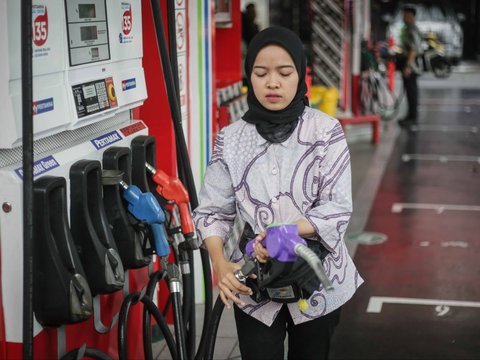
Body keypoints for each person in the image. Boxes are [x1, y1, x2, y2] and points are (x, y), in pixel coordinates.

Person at [193, 26, 363, 360]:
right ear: (249, 77)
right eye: (261, 73)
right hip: (254, 284)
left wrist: (283, 233)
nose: (272, 83)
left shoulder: (325, 131)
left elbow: (338, 208)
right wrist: (220, 262)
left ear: (300, 76)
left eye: (285, 73)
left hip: (320, 277)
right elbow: (213, 212)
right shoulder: (230, 139)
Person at [397, 5, 422, 127]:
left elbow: (413, 50)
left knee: (412, 93)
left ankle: (413, 117)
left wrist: (407, 66)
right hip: (407, 64)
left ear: (410, 16)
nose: (403, 18)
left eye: (405, 15)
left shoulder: (412, 29)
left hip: (411, 66)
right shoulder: (407, 28)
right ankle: (410, 116)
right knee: (409, 92)